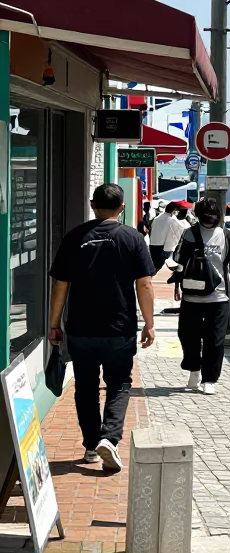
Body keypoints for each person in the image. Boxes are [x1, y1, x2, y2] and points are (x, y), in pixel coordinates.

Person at [47, 183, 156, 472]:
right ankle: (109, 438)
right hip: (119, 329)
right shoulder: (132, 238)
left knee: (85, 388)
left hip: (81, 329)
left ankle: (91, 446)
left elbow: (60, 285)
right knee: (119, 385)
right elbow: (144, 284)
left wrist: (53, 324)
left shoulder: (75, 237)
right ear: (121, 207)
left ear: (92, 204)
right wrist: (150, 324)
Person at [171, 196, 230, 395]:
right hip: (191, 295)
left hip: (219, 297)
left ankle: (209, 379)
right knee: (187, 336)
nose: (209, 220)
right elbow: (178, 261)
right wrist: (177, 286)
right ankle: (193, 369)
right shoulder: (189, 234)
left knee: (215, 339)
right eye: (206, 216)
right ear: (199, 216)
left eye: (212, 216)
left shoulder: (227, 236)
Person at [147, 201, 179, 271]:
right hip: (163, 247)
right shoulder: (173, 220)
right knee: (157, 268)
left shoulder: (156, 218)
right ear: (174, 210)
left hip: (153, 244)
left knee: (155, 266)